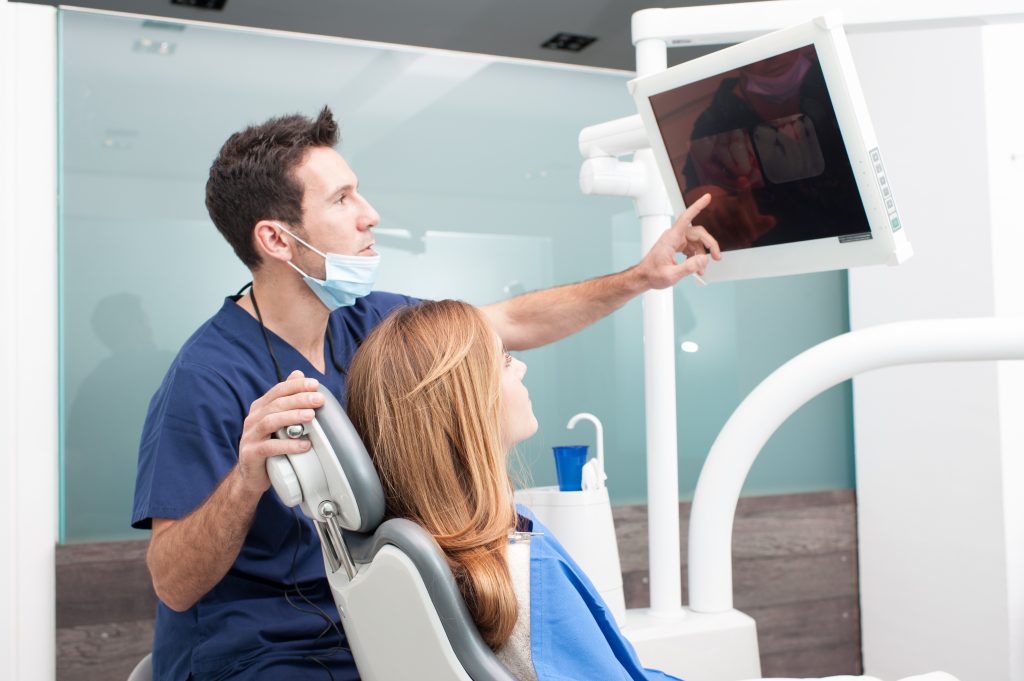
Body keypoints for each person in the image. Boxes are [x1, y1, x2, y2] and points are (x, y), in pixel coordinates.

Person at [132, 105, 719, 680]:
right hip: (257, 651)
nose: (370, 215)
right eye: (342, 199)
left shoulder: (368, 321)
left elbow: (510, 322)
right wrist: (246, 477)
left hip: (370, 624)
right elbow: (172, 584)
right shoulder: (207, 379)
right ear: (277, 240)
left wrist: (643, 277)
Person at [345, 300, 962, 681]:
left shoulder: (421, 553)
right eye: (506, 360)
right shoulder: (516, 570)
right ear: (467, 404)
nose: (523, 367)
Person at [680, 46, 870, 251]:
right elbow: (701, 198)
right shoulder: (715, 122)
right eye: (756, 46)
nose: (773, 56)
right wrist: (716, 213)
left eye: (779, 43)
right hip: (790, 254)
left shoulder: (836, 78)